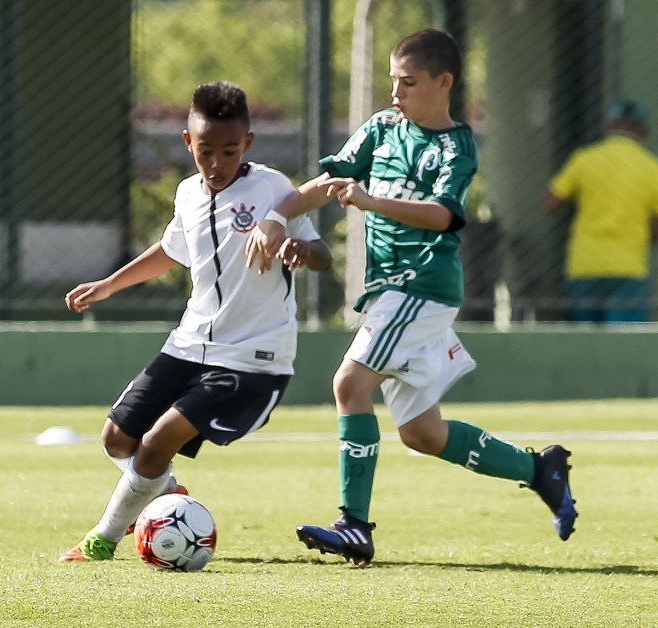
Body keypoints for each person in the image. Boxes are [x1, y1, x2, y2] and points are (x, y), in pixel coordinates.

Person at [244, 29, 577, 566]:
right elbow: (332, 179)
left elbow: (444, 215)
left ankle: (354, 525)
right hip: (390, 293)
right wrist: (278, 216)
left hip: (421, 285)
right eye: (393, 82)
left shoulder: (456, 145)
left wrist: (373, 201)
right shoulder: (382, 128)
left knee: (349, 383)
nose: (396, 93)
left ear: (443, 83)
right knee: (422, 433)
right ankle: (538, 470)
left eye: (408, 82)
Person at [58, 81, 332, 562]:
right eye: (206, 150)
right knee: (117, 438)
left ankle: (102, 540)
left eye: (229, 151)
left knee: (158, 440)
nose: (217, 162)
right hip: (189, 344)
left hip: (252, 358)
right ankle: (168, 496)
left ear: (247, 144)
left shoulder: (272, 189)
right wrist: (107, 285)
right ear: (189, 143)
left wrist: (302, 250)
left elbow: (324, 255)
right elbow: (170, 251)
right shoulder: (187, 193)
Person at [544, 98, 658, 323]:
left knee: (586, 341)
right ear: (642, 129)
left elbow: (552, 202)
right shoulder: (654, 168)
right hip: (629, 266)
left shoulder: (584, 158)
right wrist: (642, 237)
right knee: (625, 345)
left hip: (584, 263)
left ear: (611, 125)